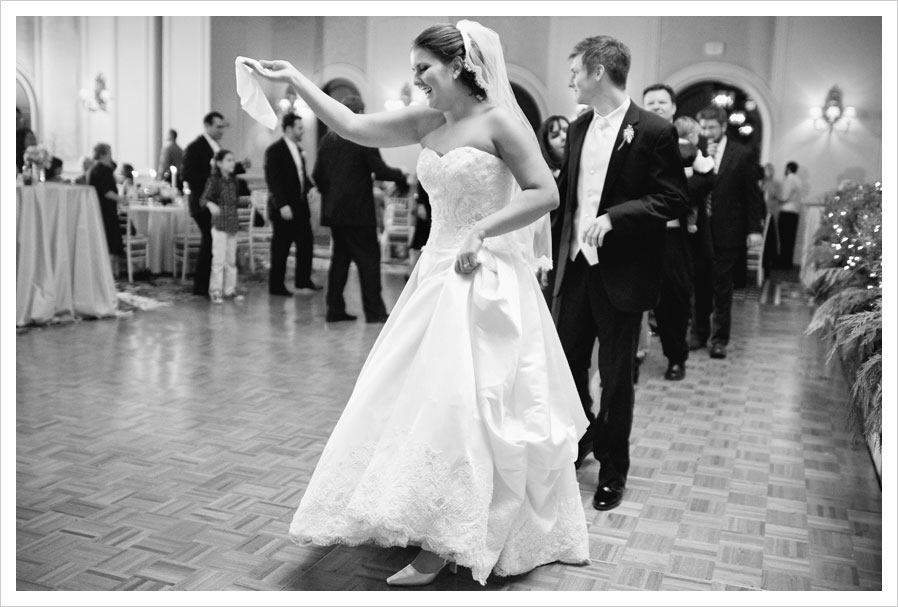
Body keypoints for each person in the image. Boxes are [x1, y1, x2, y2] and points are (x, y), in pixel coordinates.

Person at [242, 19, 589, 586]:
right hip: (433, 277)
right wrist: (297, 80)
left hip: (483, 279)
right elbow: (352, 125)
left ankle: (452, 538)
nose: (418, 80)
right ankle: (426, 516)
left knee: (466, 406)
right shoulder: (429, 120)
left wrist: (482, 231)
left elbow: (544, 193)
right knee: (416, 399)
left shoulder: (500, 121)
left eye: (424, 68)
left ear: (459, 65)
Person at [550, 37, 688, 510]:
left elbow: (673, 198)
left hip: (622, 275)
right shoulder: (577, 127)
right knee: (567, 368)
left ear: (598, 72)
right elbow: (569, 194)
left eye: (575, 71)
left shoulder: (654, 131)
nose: (570, 79)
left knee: (615, 378)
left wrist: (615, 217)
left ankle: (613, 469)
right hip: (575, 269)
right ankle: (585, 435)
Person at [313, 94, 408, 322]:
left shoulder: (327, 140)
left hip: (335, 213)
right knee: (369, 261)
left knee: (340, 260)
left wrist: (332, 194)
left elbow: (317, 175)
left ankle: (334, 309)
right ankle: (374, 312)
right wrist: (401, 176)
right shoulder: (361, 135)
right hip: (358, 212)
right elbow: (379, 170)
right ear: (360, 112)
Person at [696, 105, 764, 359]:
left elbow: (752, 194)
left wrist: (754, 229)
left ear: (724, 127)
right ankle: (699, 333)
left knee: (722, 288)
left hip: (728, 230)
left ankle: (719, 339)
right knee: (699, 286)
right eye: (703, 128)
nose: (707, 132)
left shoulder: (742, 153)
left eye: (712, 127)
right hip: (699, 230)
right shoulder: (696, 151)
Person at [181, 111, 250, 298]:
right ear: (207, 126)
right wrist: (212, 183)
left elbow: (222, 172)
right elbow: (187, 175)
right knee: (211, 243)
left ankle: (213, 287)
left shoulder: (216, 146)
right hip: (203, 204)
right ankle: (203, 287)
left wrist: (240, 167)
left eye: (222, 127)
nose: (221, 130)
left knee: (215, 245)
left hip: (219, 205)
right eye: (218, 127)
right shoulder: (195, 147)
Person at [263, 112, 321, 296]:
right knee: (281, 248)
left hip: (301, 206)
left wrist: (311, 187)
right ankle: (276, 286)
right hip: (284, 208)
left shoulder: (298, 150)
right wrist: (282, 204)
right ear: (289, 129)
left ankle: (303, 280)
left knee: (306, 244)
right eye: (299, 128)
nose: (302, 131)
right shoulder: (274, 151)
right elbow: (273, 180)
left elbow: (301, 175)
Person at [200, 149, 250, 304]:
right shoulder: (214, 180)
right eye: (229, 160)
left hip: (232, 224)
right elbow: (203, 199)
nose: (232, 163)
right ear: (220, 163)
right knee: (218, 260)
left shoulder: (234, 180)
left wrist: (249, 200)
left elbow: (235, 201)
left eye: (233, 160)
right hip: (220, 225)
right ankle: (215, 291)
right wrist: (211, 205)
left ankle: (230, 289)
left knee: (231, 260)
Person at [536, 115, 569, 307]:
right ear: (547, 145)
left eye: (566, 131)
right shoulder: (545, 177)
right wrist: (542, 259)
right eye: (555, 135)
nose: (563, 137)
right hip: (553, 250)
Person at [86, 143, 125, 266]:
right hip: (106, 210)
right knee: (110, 240)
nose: (111, 156)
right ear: (103, 155)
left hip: (97, 209)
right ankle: (109, 269)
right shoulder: (103, 170)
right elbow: (107, 191)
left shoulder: (93, 169)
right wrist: (122, 200)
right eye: (109, 153)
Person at [777, 161, 802, 270]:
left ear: (787, 169)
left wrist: (776, 197)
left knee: (784, 239)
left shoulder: (789, 180)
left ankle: (783, 263)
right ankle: (788, 262)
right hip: (795, 212)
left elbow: (785, 197)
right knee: (790, 239)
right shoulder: (799, 181)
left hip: (786, 211)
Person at [407, 179, 432, 278]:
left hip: (431, 205)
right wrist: (420, 203)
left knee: (422, 241)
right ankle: (413, 272)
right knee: (420, 241)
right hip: (426, 205)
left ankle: (418, 272)